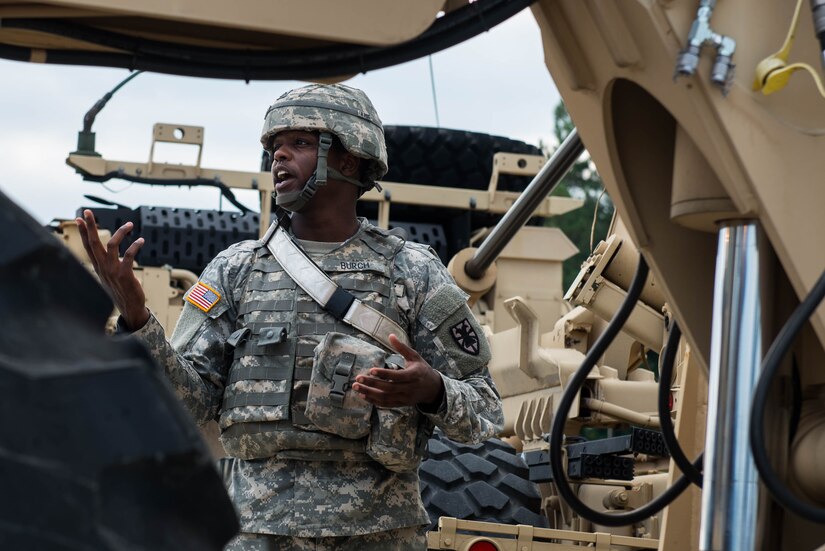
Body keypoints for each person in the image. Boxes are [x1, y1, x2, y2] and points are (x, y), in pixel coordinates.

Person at [76, 83, 503, 551]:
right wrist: (137, 318)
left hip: (378, 533)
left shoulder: (413, 271)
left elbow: (484, 413)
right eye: (274, 147)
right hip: (257, 532)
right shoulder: (234, 270)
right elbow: (190, 403)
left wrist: (433, 390)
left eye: (299, 143)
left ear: (350, 157)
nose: (279, 157)